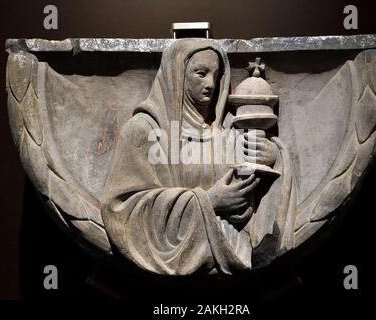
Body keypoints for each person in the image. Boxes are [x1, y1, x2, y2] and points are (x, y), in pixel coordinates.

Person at [101, 39, 296, 275]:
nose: (211, 84)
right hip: (167, 264)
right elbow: (122, 211)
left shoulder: (227, 136)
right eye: (200, 73)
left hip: (234, 259)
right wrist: (209, 201)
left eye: (216, 75)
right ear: (177, 74)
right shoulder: (143, 131)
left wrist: (273, 155)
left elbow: (254, 181)